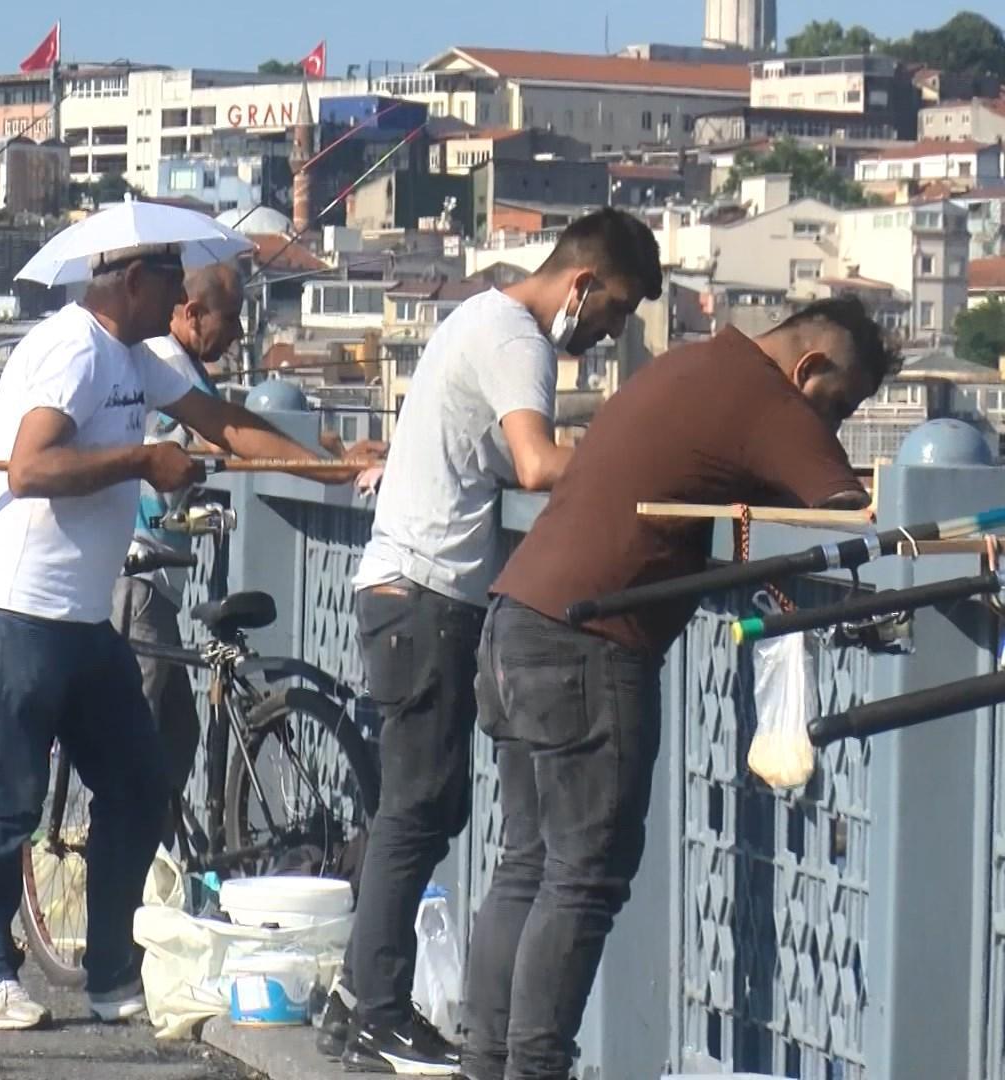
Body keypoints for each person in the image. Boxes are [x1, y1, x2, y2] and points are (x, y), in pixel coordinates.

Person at [458, 297, 893, 1080]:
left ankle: (485, 1063)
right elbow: (851, 510)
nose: (833, 425)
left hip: (514, 619)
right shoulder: (763, 392)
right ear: (810, 369)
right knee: (584, 877)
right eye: (840, 405)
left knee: (527, 863)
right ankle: (532, 1069)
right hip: (589, 645)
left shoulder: (685, 364)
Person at [0, 241, 367, 1031]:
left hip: (83, 617)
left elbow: (228, 424)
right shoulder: (72, 350)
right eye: (172, 282)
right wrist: (142, 458)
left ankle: (111, 972)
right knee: (7, 800)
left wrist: (336, 468)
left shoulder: (139, 358)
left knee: (139, 785)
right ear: (134, 282)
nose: (183, 299)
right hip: (18, 609)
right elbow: (29, 470)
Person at [320, 207, 663, 1075]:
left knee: (424, 807)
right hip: (427, 593)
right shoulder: (518, 338)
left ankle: (359, 1001)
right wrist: (630, 458)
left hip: (407, 589)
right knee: (419, 809)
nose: (609, 330)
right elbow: (539, 463)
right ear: (581, 283)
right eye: (614, 310)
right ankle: (378, 1011)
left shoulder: (473, 314)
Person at [112, 262, 247, 809]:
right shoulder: (171, 366)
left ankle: (155, 853)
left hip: (161, 578)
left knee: (175, 735)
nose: (238, 333)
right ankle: (120, 860)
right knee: (135, 736)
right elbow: (223, 436)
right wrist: (322, 456)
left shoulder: (179, 366)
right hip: (141, 573)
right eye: (231, 317)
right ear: (192, 313)